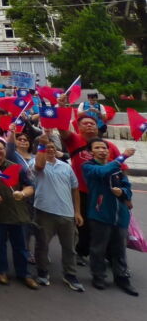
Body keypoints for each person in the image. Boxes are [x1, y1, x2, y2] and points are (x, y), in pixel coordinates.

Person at [57, 114, 123, 265]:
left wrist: (123, 191)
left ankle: (108, 255)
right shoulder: (74, 140)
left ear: (97, 126)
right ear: (78, 127)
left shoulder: (110, 146)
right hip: (80, 192)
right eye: (85, 123)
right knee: (83, 225)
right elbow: (61, 129)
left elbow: (122, 169)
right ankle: (81, 251)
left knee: (106, 225)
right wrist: (62, 107)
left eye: (92, 123)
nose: (89, 125)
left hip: (105, 193)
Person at [83, 139, 138, 296]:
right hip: (100, 215)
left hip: (120, 216)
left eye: (104, 147)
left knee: (120, 248)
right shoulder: (88, 167)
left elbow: (127, 187)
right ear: (90, 152)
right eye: (97, 147)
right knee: (98, 248)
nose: (102, 150)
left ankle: (122, 277)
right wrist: (122, 157)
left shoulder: (118, 169)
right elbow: (103, 172)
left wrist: (123, 193)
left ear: (108, 151)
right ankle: (98, 276)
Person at [0, 137, 38, 289]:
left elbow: (30, 186)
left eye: (0, 148)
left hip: (18, 214)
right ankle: (1, 271)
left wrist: (23, 193)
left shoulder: (16, 167)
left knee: (20, 246)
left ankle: (24, 273)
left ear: (5, 149)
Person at [32, 133, 84, 292]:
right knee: (42, 245)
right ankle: (42, 272)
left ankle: (70, 274)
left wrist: (77, 212)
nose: (50, 150)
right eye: (47, 148)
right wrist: (42, 144)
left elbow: (75, 189)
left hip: (67, 214)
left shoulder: (66, 166)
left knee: (69, 247)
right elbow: (39, 166)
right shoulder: (34, 163)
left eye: (53, 147)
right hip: (44, 212)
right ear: (40, 150)